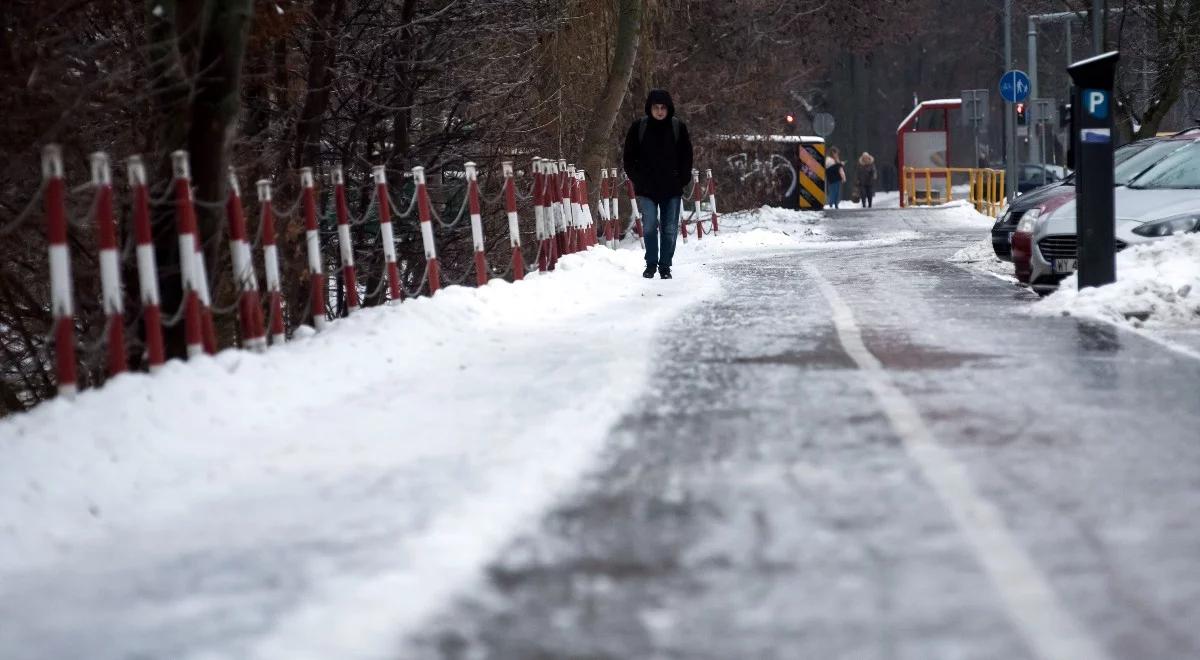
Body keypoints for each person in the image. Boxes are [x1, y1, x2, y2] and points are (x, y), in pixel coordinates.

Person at [623, 89, 693, 279]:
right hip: (647, 188)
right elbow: (628, 157)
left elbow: (687, 156)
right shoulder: (639, 127)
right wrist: (638, 179)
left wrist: (682, 178)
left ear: (668, 108)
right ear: (650, 108)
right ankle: (651, 264)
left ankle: (665, 266)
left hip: (672, 188)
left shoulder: (678, 127)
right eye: (656, 107)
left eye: (663, 107)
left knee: (669, 228)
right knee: (649, 226)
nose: (660, 111)